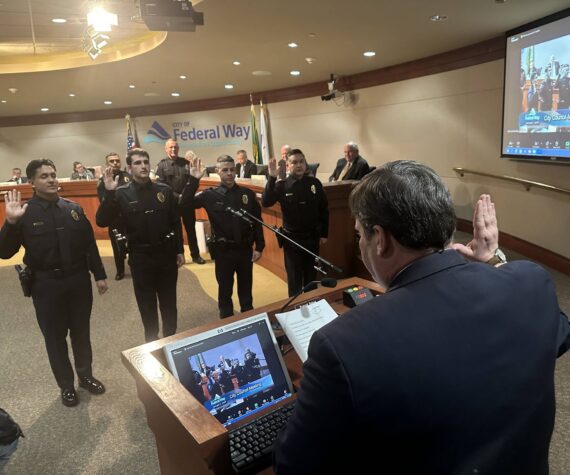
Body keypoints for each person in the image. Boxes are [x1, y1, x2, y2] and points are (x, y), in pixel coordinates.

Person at [273, 161, 570, 474]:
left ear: (380, 238)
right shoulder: (531, 283)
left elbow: (294, 466)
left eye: (360, 235)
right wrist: (493, 262)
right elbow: (558, 335)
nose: (361, 246)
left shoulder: (342, 345)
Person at [0, 159, 108, 407]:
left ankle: (85, 376)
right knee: (55, 338)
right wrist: (11, 223)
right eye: (44, 176)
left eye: (53, 175)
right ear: (32, 183)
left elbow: (88, 245)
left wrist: (99, 275)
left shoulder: (73, 208)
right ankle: (67, 386)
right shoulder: (24, 213)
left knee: (81, 332)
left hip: (78, 280)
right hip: (46, 285)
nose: (51, 180)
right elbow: (4, 252)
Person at [96, 148, 185, 342]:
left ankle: (171, 339)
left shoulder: (164, 190)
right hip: (140, 256)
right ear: (129, 168)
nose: (143, 166)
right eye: (137, 163)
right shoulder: (121, 194)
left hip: (166, 254)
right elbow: (102, 221)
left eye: (145, 161)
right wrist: (109, 194)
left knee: (169, 302)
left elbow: (175, 222)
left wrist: (179, 250)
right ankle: (152, 341)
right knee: (147, 304)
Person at [180, 155, 265, 318]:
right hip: (223, 252)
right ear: (217, 171)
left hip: (245, 249)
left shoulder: (246, 194)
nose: (229, 173)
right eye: (225, 170)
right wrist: (193, 180)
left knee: (246, 291)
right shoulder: (209, 195)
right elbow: (183, 205)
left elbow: (257, 222)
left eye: (232, 170)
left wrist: (259, 246)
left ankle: (249, 318)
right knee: (225, 291)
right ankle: (226, 321)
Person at [261, 149, 329, 296]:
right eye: (294, 162)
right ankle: (295, 311)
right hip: (292, 241)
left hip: (312, 238)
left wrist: (324, 234)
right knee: (294, 279)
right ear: (288, 165)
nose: (298, 165)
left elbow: (324, 210)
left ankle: (312, 305)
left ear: (305, 164)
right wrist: (272, 177)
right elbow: (266, 202)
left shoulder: (315, 183)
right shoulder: (282, 185)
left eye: (301, 161)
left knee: (311, 277)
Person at [155, 139, 205, 265]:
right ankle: (179, 255)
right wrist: (179, 196)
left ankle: (195, 255)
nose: (173, 149)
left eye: (175, 147)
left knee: (191, 230)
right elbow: (161, 186)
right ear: (166, 149)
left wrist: (185, 196)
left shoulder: (187, 163)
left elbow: (193, 182)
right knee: (176, 231)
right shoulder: (161, 165)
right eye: (171, 147)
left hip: (187, 204)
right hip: (172, 205)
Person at [96, 152, 130, 280]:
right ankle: (120, 271)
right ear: (107, 164)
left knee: (132, 243)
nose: (115, 163)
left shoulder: (127, 176)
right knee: (117, 247)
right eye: (112, 161)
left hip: (129, 217)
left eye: (117, 160)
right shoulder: (103, 180)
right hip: (114, 218)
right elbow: (103, 200)